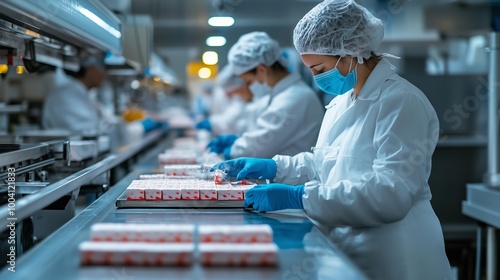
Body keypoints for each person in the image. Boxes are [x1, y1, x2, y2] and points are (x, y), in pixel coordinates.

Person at [211, 1, 453, 279]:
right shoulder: (341, 102)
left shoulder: (401, 102)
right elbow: (325, 163)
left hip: (396, 257)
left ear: (350, 53)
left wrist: (298, 196)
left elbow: (390, 193)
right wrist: (274, 167)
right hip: (347, 247)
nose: (316, 79)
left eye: (319, 68)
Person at [207, 32, 324, 159]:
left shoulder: (293, 98)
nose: (248, 87)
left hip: (294, 178)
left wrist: (231, 150)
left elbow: (258, 148)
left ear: (261, 70)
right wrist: (238, 141)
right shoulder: (282, 94)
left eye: (248, 81)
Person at [42, 56, 161, 135]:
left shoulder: (86, 94)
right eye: (101, 69)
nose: (104, 75)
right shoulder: (67, 95)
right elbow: (90, 130)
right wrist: (140, 127)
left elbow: (104, 123)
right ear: (90, 70)